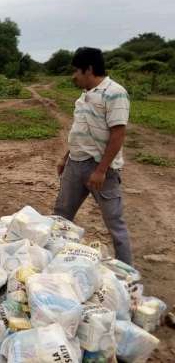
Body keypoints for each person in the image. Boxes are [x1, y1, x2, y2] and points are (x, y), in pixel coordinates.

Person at [54, 47, 132, 264]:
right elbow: (81, 131)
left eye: (76, 71)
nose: (73, 76)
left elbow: (118, 134)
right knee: (60, 216)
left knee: (114, 224)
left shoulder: (115, 93)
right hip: (75, 165)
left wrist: (101, 170)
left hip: (100, 169)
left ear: (88, 69)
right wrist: (65, 157)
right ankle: (52, 261)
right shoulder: (85, 95)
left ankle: (128, 273)